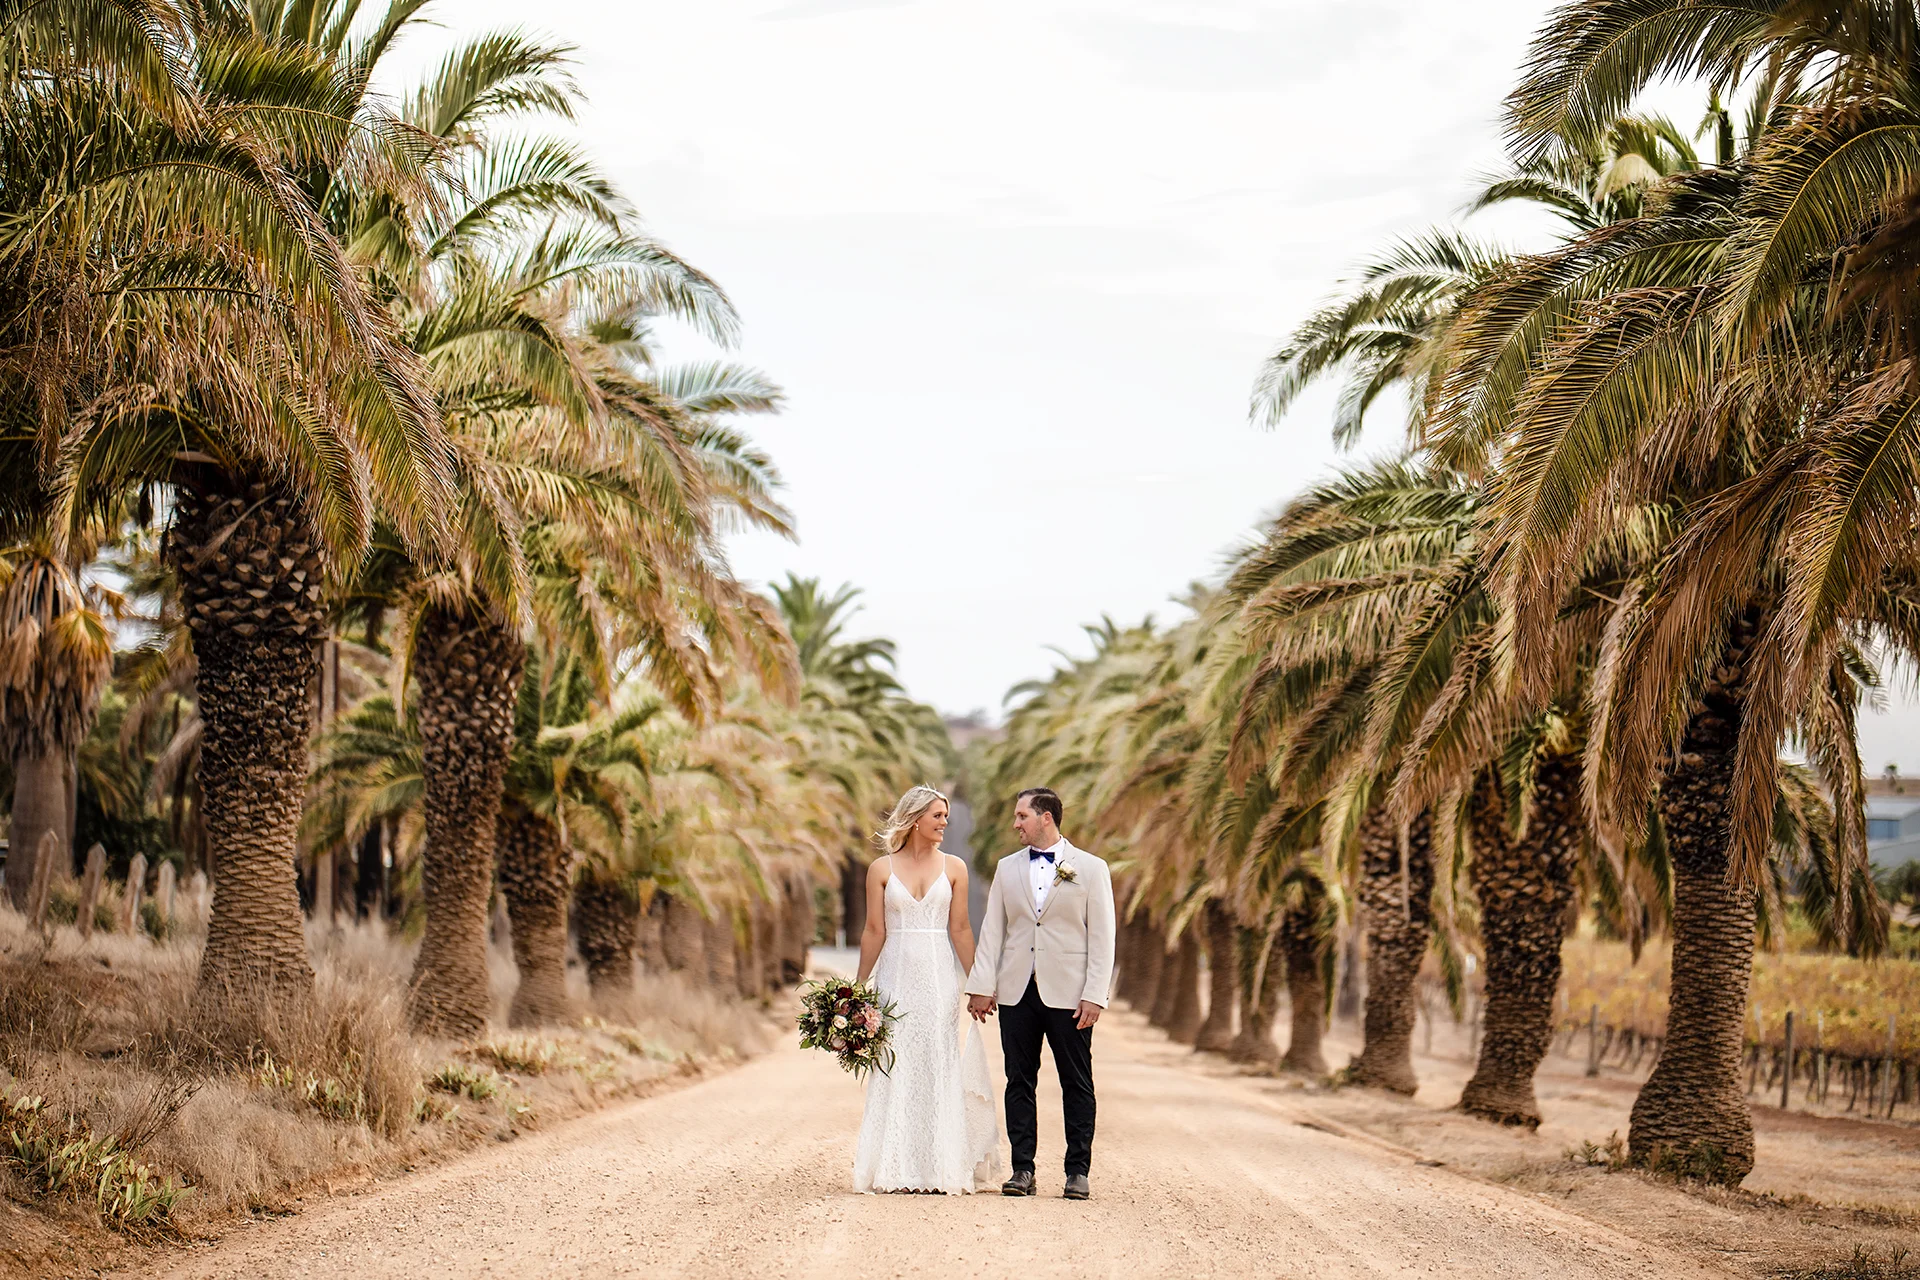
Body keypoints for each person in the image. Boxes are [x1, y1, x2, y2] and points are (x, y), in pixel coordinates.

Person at [851, 785, 1003, 1193]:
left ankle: (939, 1168)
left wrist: (980, 984)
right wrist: (855, 988)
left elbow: (960, 928)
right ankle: (896, 1165)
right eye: (938, 816)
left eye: (946, 816)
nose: (944, 823)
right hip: (894, 980)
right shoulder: (880, 870)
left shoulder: (955, 868)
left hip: (938, 980)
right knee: (895, 1063)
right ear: (916, 818)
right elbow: (874, 931)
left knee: (937, 1061)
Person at [965, 786, 1115, 1201]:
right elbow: (993, 929)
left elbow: (1103, 937)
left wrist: (1095, 994)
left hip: (1069, 994)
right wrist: (981, 985)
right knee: (1018, 1080)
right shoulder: (1006, 868)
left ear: (1045, 817)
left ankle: (1077, 1172)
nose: (1016, 824)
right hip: (1016, 990)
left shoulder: (1091, 868)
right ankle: (1022, 1170)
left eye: (1022, 816)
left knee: (1077, 1082)